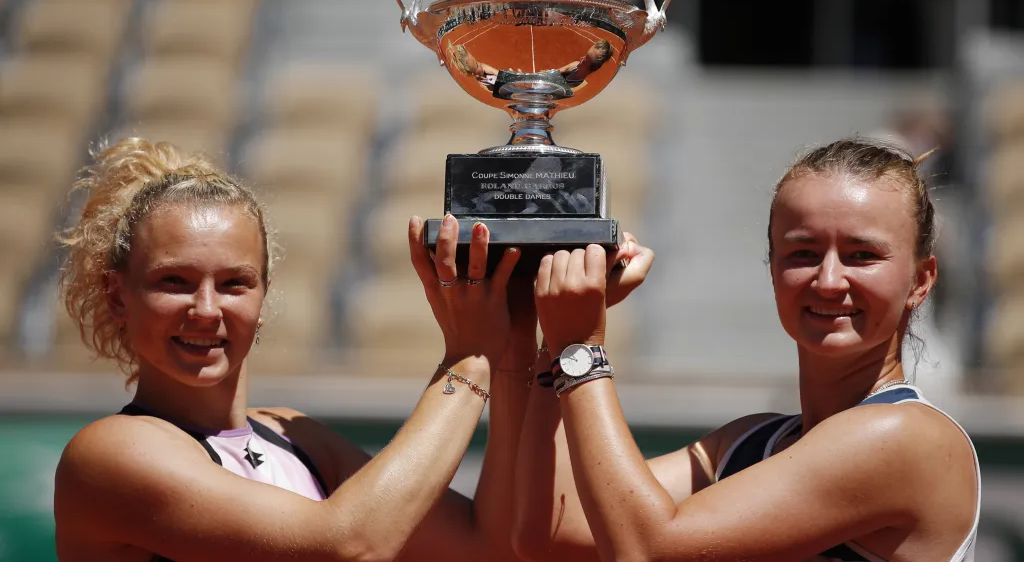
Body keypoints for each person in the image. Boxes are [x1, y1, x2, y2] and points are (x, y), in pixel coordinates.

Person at [52, 137, 531, 562]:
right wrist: (470, 358)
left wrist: (515, 339)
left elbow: (490, 548)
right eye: (174, 281)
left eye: (234, 284)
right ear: (118, 295)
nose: (206, 309)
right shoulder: (111, 454)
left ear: (263, 297)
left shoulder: (300, 438)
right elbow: (350, 545)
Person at [513, 139, 981, 562]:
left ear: (921, 281)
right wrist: (555, 341)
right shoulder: (746, 442)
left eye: (862, 255)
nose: (828, 280)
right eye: (803, 253)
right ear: (773, 268)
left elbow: (646, 549)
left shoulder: (906, 436)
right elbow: (550, 533)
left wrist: (580, 350)